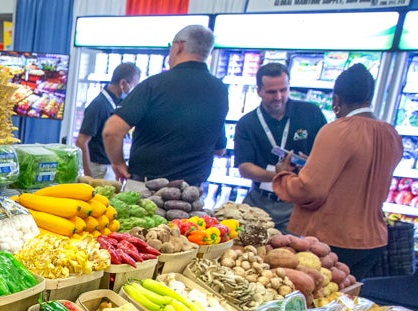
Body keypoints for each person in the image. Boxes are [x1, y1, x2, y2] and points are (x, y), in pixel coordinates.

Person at [273, 64, 402, 280]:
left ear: (336, 101)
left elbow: (309, 190)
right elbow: (357, 177)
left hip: (333, 239)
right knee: (347, 301)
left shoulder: (337, 130)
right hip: (374, 239)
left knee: (318, 301)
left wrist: (283, 175)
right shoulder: (391, 134)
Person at [102, 25, 228, 186]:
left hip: (148, 187)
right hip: (191, 193)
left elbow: (111, 131)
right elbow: (219, 150)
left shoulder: (154, 85)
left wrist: (118, 164)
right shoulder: (220, 90)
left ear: (179, 46)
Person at [235, 63, 326, 234]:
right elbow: (244, 167)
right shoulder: (247, 123)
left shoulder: (310, 113)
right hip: (259, 203)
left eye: (283, 90)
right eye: (271, 92)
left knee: (290, 256)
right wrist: (277, 176)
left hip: (298, 204)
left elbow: (327, 155)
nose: (278, 96)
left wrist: (314, 164)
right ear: (259, 91)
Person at [75, 63, 141, 179]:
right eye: (134, 86)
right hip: (99, 169)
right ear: (122, 83)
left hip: (109, 167)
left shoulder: (117, 103)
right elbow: (81, 141)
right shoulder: (99, 105)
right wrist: (88, 176)